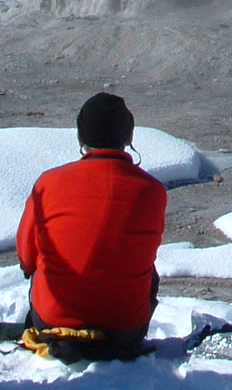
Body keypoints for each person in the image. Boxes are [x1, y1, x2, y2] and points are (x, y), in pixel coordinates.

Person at [16, 92, 167, 349]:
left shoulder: (48, 184)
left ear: (80, 137)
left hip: (53, 321)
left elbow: (27, 258)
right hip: (124, 329)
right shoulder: (153, 191)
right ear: (129, 137)